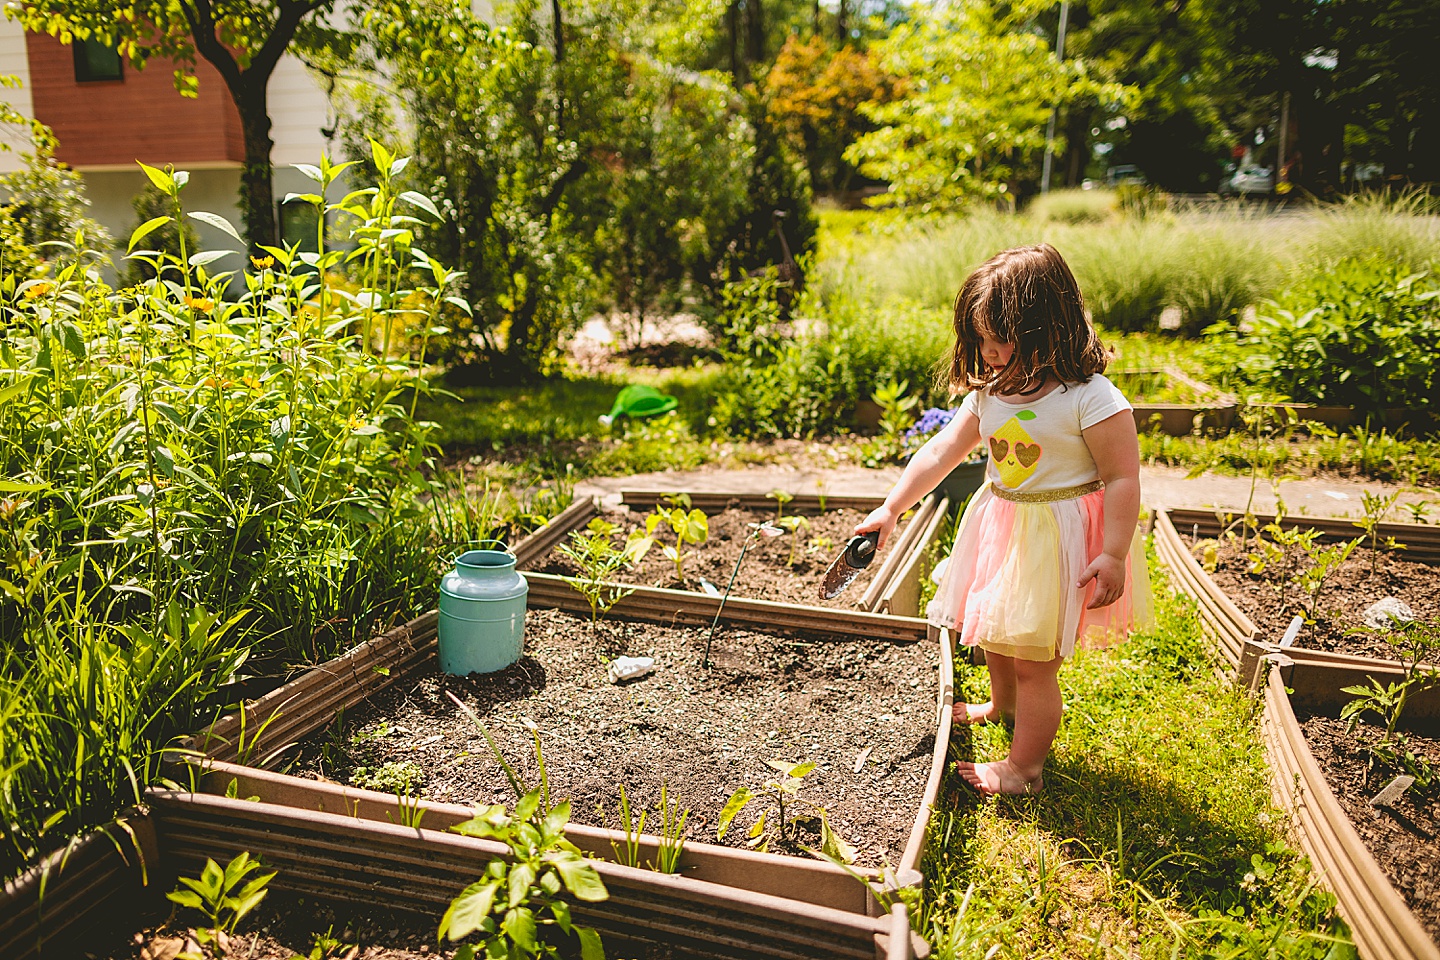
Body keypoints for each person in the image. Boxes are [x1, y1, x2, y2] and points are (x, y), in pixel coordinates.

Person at [855, 243, 1153, 796]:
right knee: (994, 626)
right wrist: (892, 506)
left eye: (1002, 339)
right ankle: (1002, 703)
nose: (989, 353)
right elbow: (941, 451)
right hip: (1002, 525)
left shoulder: (1091, 398)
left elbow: (1122, 478)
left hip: (1058, 536)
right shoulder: (990, 392)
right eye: (981, 340)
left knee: (1036, 660)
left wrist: (1112, 552)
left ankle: (1024, 769)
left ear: (1048, 327)